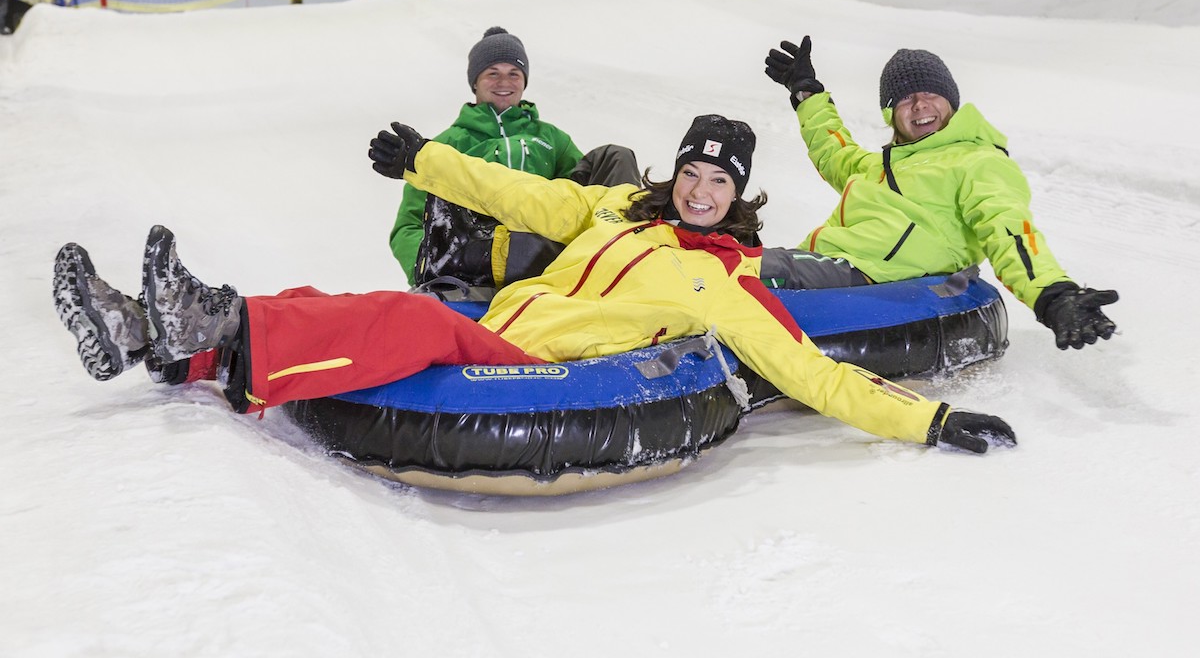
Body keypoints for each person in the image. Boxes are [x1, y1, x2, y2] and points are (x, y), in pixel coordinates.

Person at [53, 114, 1016, 454]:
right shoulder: (622, 212)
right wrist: (425, 160)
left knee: (401, 319)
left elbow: (812, 375)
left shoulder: (717, 285)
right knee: (359, 302)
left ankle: (203, 322)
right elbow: (521, 191)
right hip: (508, 319)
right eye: (691, 171)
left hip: (536, 357)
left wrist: (927, 422)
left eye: (717, 181)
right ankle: (155, 330)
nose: (698, 188)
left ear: (739, 196)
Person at [763, 36, 1118, 351]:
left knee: (751, 268)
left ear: (950, 102)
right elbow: (833, 151)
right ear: (891, 113)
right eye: (904, 99)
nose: (919, 105)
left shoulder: (976, 161)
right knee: (726, 252)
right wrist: (807, 93)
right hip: (832, 264)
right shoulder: (880, 166)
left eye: (929, 93)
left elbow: (1007, 228)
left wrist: (1053, 295)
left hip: (872, 275)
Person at [389, 26, 639, 292]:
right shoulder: (448, 144)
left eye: (514, 74)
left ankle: (630, 248)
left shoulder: (551, 138)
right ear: (475, 81)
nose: (504, 82)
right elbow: (409, 224)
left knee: (615, 156)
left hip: (550, 246)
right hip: (482, 254)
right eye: (492, 73)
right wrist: (428, 268)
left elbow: (586, 198)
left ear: (524, 81)